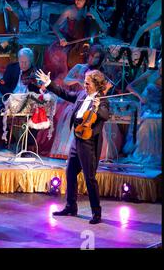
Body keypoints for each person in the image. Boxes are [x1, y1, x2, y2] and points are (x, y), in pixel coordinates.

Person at [36, 68, 110, 224]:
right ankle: (71, 206)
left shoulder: (102, 100)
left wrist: (97, 107)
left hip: (89, 143)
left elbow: (105, 115)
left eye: (87, 83)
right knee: (70, 173)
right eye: (84, 82)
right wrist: (49, 83)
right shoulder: (82, 95)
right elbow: (64, 93)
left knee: (89, 178)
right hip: (77, 139)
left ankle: (97, 213)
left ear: (96, 85)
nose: (85, 85)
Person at [48, 45, 107, 159]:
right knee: (72, 117)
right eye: (91, 56)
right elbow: (66, 80)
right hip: (77, 99)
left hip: (92, 103)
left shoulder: (98, 73)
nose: (92, 59)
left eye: (96, 58)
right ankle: (69, 151)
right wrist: (78, 80)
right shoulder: (79, 67)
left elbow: (103, 90)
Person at [0, 48, 43, 151]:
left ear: (31, 61)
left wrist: (37, 86)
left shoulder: (36, 72)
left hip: (28, 103)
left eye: (26, 62)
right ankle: (12, 140)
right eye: (21, 62)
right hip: (11, 101)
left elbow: (39, 91)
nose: (23, 65)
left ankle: (26, 145)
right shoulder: (12, 68)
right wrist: (10, 96)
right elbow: (2, 87)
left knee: (35, 117)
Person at [123, 59, 162, 167]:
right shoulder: (150, 73)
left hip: (157, 107)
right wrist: (140, 97)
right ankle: (143, 151)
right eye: (160, 67)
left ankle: (155, 152)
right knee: (147, 120)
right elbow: (129, 86)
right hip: (145, 106)